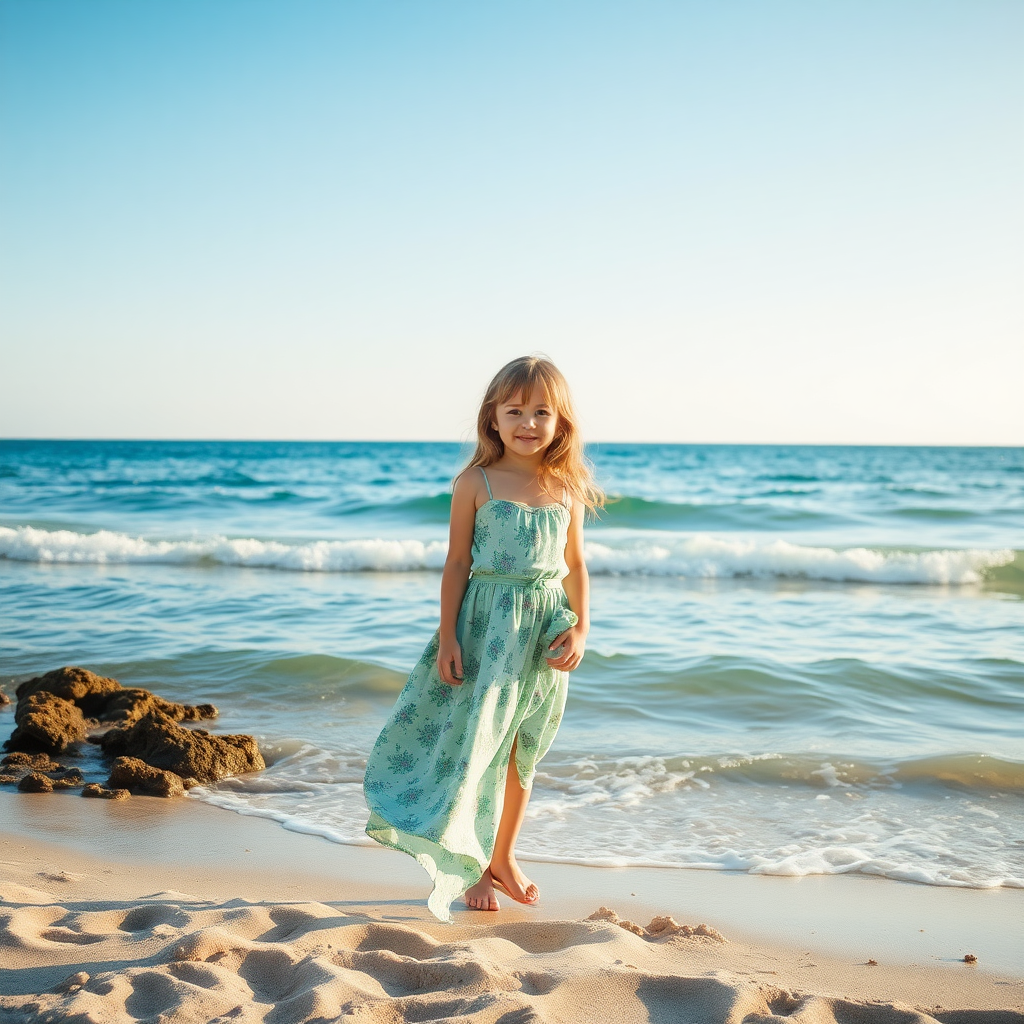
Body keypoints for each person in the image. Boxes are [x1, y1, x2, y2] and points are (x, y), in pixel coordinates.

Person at [363, 355, 602, 922]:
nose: (527, 422)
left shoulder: (566, 488)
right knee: (477, 744)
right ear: (491, 418)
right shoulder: (476, 482)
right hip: (484, 626)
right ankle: (469, 863)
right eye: (514, 410)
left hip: (543, 630)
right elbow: (455, 563)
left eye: (542, 411)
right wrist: (448, 637)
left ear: (561, 422)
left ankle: (503, 857)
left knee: (523, 748)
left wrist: (582, 627)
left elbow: (575, 565)